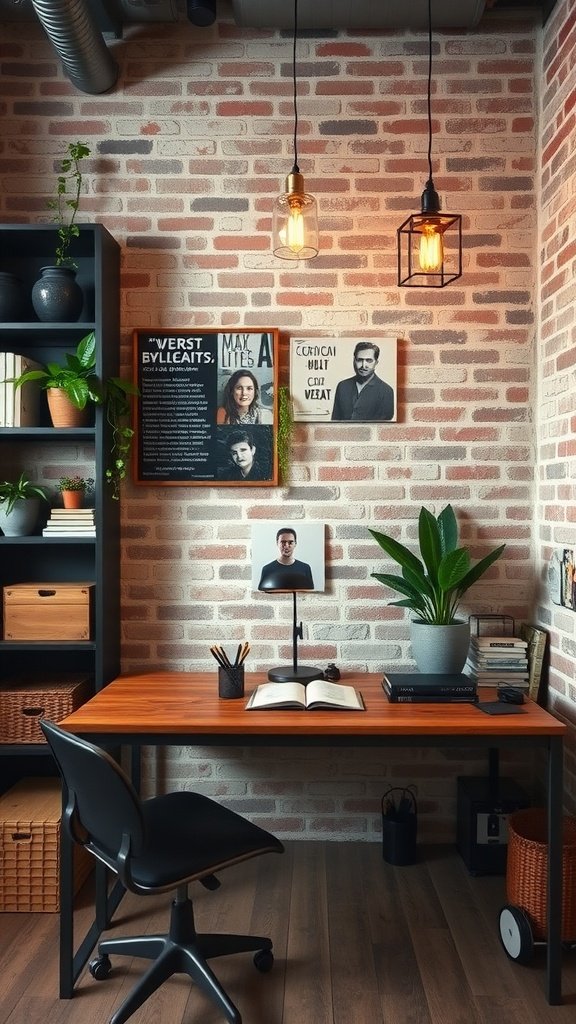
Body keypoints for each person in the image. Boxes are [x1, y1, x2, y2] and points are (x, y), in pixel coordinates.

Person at [331, 341, 394, 421]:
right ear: (354, 360)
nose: (364, 365)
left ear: (376, 363)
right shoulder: (342, 386)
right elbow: (335, 421)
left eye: (369, 360)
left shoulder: (386, 391)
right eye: (359, 360)